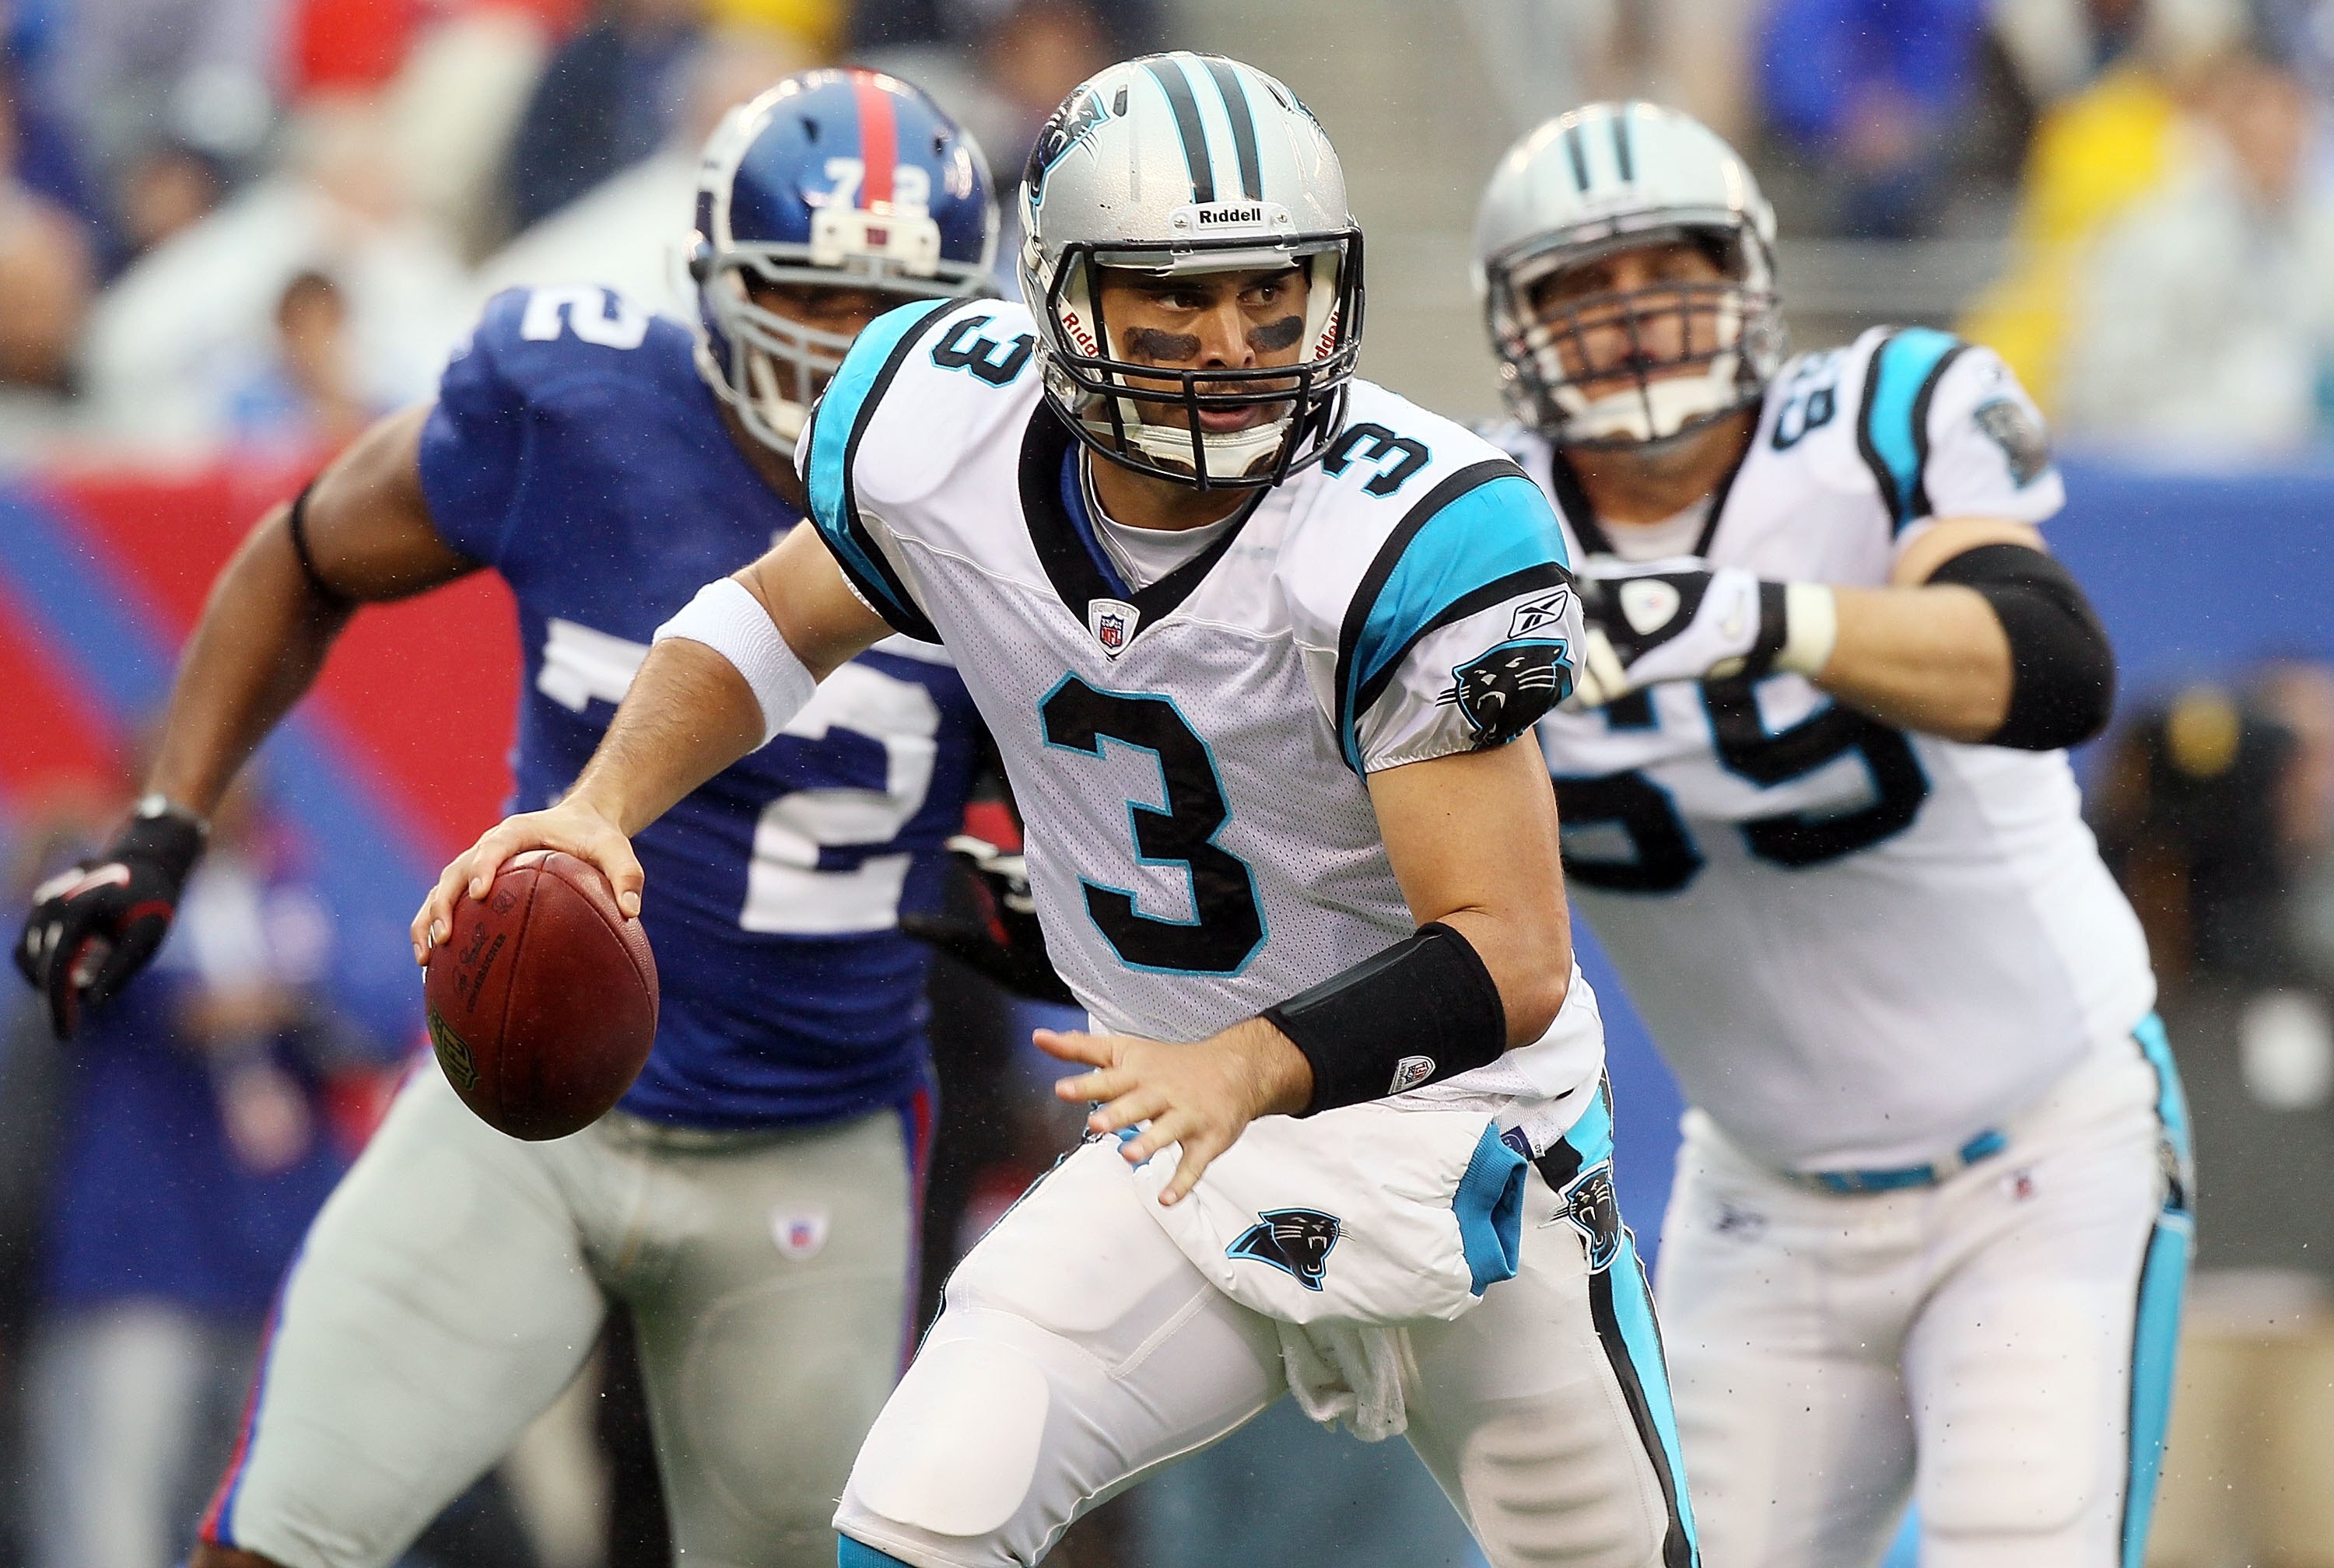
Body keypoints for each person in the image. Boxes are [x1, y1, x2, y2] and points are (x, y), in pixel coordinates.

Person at [419, 51, 1700, 1568]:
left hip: (1458, 1146)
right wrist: (600, 810)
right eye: (1177, 295)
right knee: (915, 1525)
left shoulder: (1408, 528)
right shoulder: (939, 430)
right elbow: (769, 622)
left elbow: (1508, 956)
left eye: (1273, 292)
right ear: (1065, 298)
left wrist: (1252, 1059)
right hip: (1182, 1145)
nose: (1235, 339)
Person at [14, 68, 1000, 1568]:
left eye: (892, 311)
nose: (843, 355)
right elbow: (303, 554)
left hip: (813, 1131)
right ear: (720, 287)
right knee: (277, 1542)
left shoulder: (1020, 488)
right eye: (807, 298)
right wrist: (168, 823)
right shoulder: (581, 398)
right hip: (513, 1109)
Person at [1474, 100, 2190, 1566]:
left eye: (1667, 267)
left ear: (1749, 276)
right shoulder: (1475, 523)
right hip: (1771, 1200)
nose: (1632, 320)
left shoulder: (1879, 423)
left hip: (2043, 1152)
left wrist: (1769, 618)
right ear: (1515, 324)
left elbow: (2054, 664)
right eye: (1581, 288)